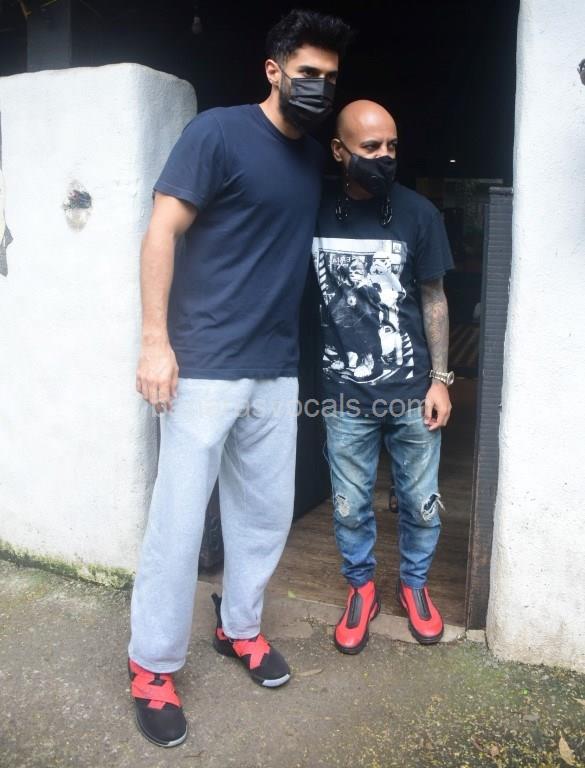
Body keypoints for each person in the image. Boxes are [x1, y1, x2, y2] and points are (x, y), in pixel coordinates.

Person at [128, 10, 352, 748]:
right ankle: (152, 664)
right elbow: (161, 231)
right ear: (273, 70)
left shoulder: (311, 159)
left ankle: (239, 628)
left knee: (262, 516)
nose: (318, 87)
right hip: (201, 365)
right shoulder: (217, 134)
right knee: (179, 522)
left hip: (275, 368)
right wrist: (155, 343)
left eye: (329, 77)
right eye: (307, 73)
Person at [312, 100, 454, 655]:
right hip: (344, 394)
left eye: (392, 146)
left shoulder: (419, 213)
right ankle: (361, 589)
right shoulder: (313, 210)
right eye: (371, 147)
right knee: (349, 505)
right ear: (339, 150)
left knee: (421, 503)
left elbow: (434, 297)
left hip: (413, 392)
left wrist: (441, 379)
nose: (384, 157)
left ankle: (414, 586)